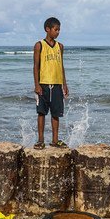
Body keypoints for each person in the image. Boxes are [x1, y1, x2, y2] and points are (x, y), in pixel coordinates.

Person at [33, 17, 69, 149]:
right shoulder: (39, 45)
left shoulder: (60, 46)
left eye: (59, 30)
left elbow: (61, 66)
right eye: (56, 29)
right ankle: (40, 140)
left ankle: (55, 140)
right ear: (47, 29)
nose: (58, 32)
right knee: (41, 112)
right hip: (43, 84)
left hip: (57, 85)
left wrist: (64, 84)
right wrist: (37, 85)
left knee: (56, 114)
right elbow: (36, 66)